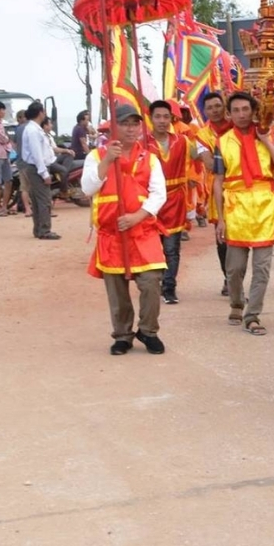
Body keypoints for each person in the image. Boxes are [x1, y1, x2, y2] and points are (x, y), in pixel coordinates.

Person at [81, 104, 168, 356]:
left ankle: (148, 330)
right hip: (112, 235)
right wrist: (108, 159)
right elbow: (88, 188)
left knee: (151, 283)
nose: (131, 128)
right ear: (114, 126)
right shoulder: (96, 156)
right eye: (125, 123)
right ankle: (122, 335)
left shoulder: (150, 158)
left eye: (135, 123)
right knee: (117, 291)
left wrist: (137, 217)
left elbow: (158, 194)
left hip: (143, 232)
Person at [212, 92, 274, 335]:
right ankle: (236, 302)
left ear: (253, 111)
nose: (242, 114)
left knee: (262, 268)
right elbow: (218, 181)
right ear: (229, 114)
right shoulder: (222, 142)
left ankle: (252, 314)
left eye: (246, 109)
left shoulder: (267, 135)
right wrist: (220, 218)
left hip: (264, 207)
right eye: (236, 110)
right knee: (234, 268)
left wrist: (265, 140)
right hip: (236, 207)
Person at [148, 100, 191, 304]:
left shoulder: (182, 141)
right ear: (151, 118)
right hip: (151, 203)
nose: (162, 121)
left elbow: (201, 157)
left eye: (166, 117)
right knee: (152, 247)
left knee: (172, 249)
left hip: (174, 200)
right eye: (158, 116)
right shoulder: (142, 144)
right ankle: (153, 286)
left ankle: (169, 287)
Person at [196, 92, 233, 295]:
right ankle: (228, 278)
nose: (215, 110)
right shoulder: (201, 135)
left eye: (218, 105)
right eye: (210, 107)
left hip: (241, 189)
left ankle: (235, 277)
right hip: (218, 189)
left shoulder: (237, 125)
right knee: (222, 237)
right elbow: (209, 163)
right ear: (205, 111)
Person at [20, 102, 59, 239]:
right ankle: (44, 230)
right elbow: (37, 154)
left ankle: (39, 229)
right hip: (37, 168)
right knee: (44, 200)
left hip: (35, 167)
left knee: (38, 200)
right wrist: (44, 173)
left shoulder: (34, 129)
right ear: (40, 113)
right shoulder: (33, 131)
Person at [41, 117, 76, 200]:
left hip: (53, 158)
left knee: (69, 155)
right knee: (63, 170)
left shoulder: (49, 136)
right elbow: (53, 149)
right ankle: (63, 190)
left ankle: (63, 175)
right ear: (45, 125)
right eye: (50, 124)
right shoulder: (41, 136)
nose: (51, 126)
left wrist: (67, 151)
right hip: (48, 161)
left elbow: (55, 148)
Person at [0, 101, 11, 216]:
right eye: (3, 110)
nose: (4, 112)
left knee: (8, 181)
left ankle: (4, 206)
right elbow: (2, 138)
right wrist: (7, 139)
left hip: (4, 154)